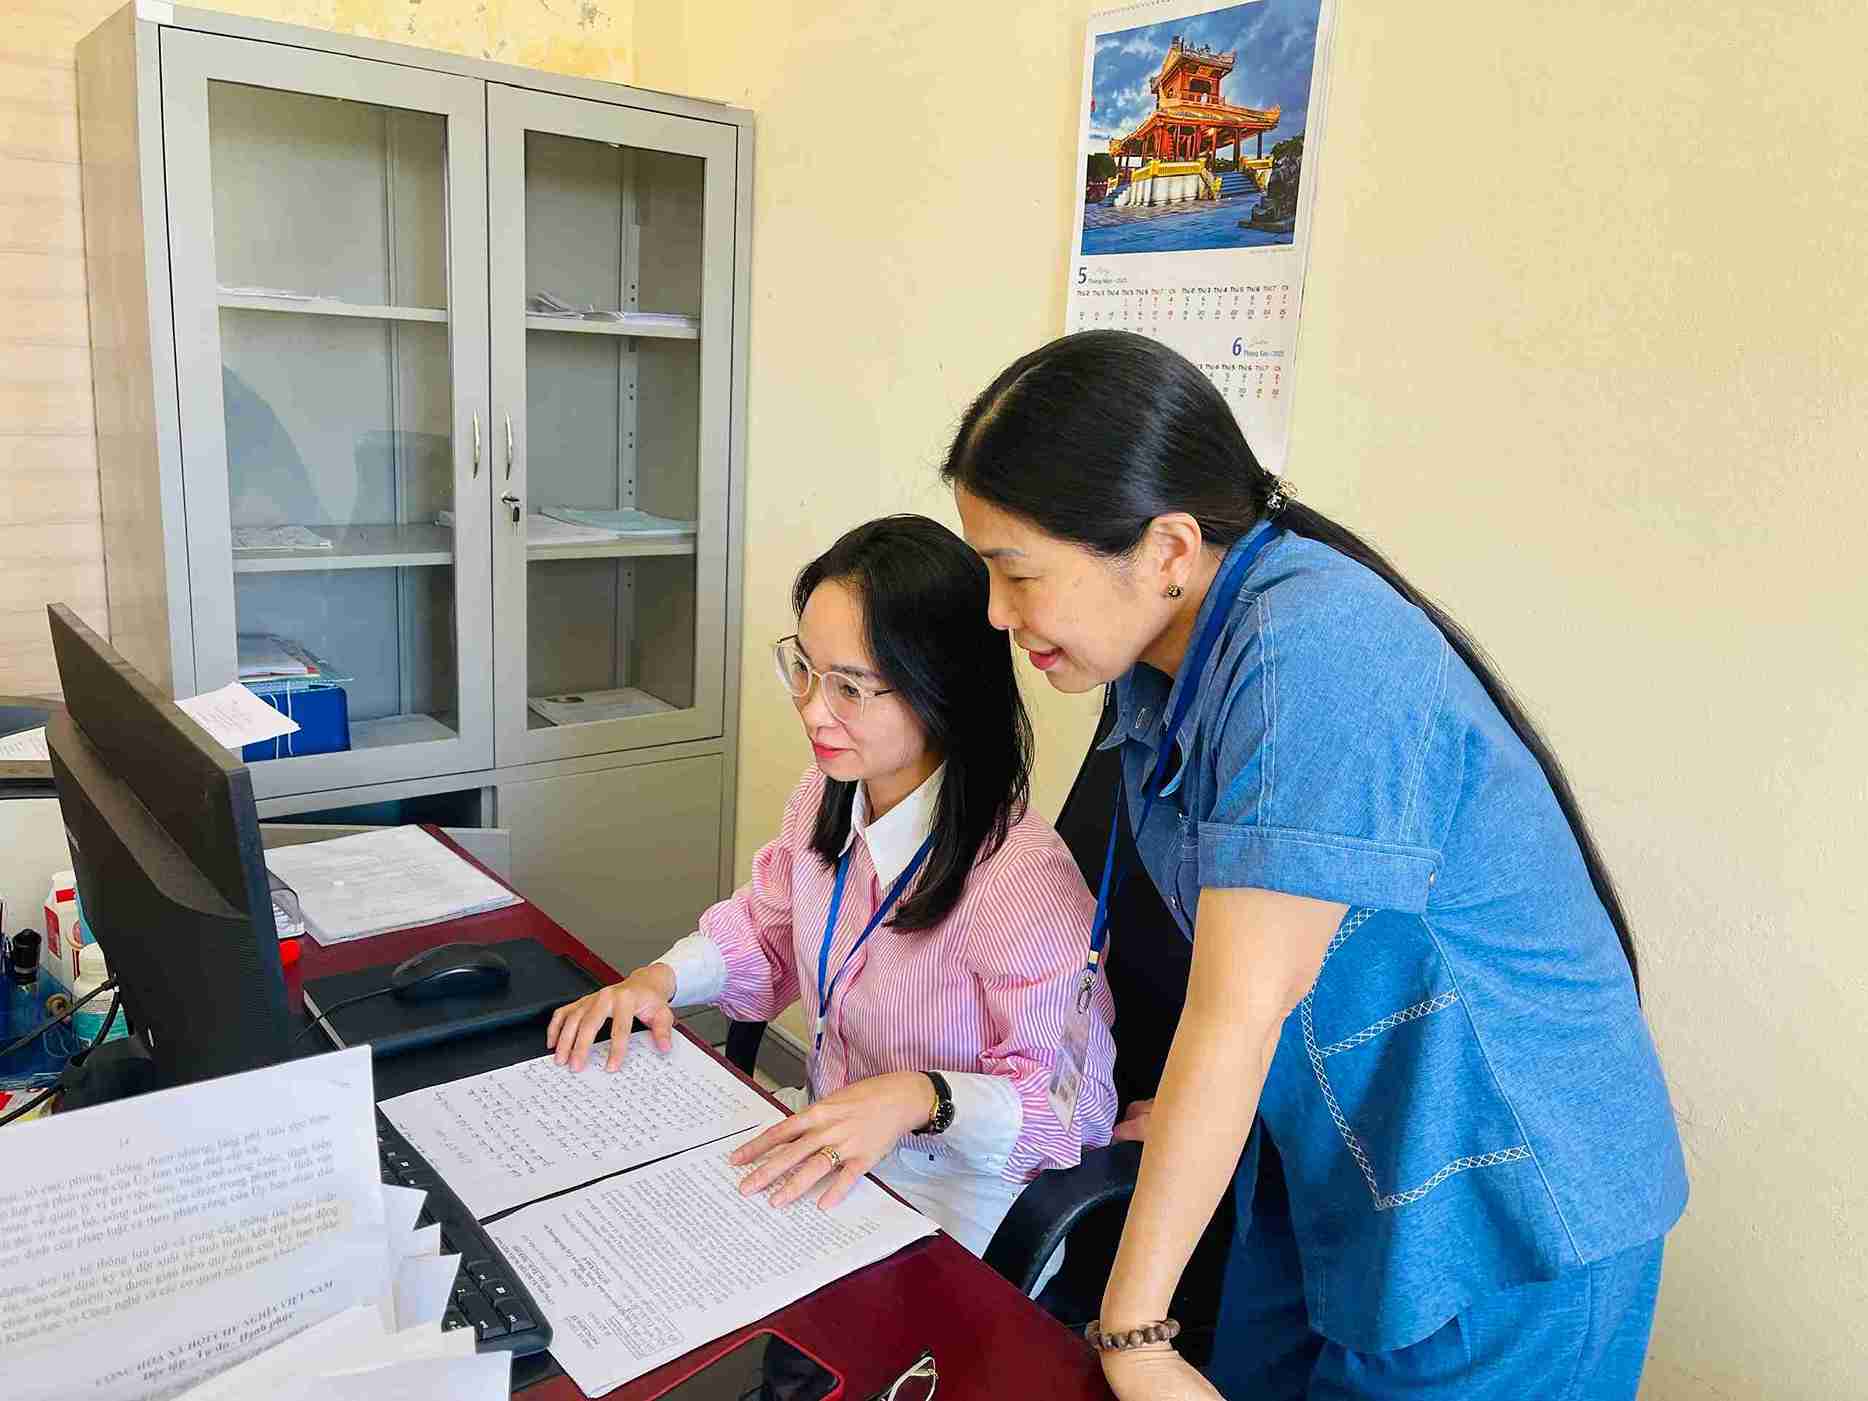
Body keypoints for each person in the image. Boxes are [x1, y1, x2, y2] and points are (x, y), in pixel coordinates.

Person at [941, 330, 1687, 1399]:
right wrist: (1185, 1113)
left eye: (1016, 573)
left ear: (1167, 548)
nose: (995, 614)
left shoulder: (1313, 648)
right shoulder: (1160, 668)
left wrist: (1132, 1330)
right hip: (1333, 1152)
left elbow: (1238, 1010)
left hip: (1501, 1194)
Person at [547, 514, 1118, 1290]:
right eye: (806, 671)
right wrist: (659, 979)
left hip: (959, 1214)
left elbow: (1072, 1109)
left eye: (850, 687)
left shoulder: (1022, 882)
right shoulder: (827, 793)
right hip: (830, 1168)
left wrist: (922, 1096)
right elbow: (765, 928)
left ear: (942, 689)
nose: (814, 710)